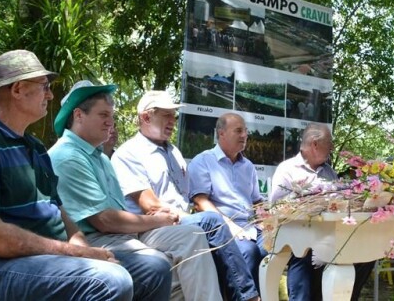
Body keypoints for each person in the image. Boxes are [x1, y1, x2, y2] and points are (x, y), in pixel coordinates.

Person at [0, 50, 135, 300]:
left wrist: (85, 250)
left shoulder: (35, 147)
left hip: (42, 262)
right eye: (44, 86)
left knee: (151, 268)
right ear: (18, 89)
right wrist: (75, 255)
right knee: (109, 281)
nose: (50, 94)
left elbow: (60, 213)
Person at [49, 80, 221, 301]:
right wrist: (159, 220)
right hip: (93, 240)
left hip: (122, 235)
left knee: (192, 237)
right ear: (78, 115)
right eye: (103, 115)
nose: (110, 123)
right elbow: (105, 221)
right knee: (167, 268)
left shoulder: (100, 157)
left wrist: (159, 220)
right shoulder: (68, 156)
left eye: (111, 116)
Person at [111, 91, 261, 301]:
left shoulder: (174, 152)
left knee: (242, 242)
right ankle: (249, 297)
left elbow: (186, 198)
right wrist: (188, 217)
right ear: (146, 117)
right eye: (166, 115)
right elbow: (151, 206)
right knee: (212, 221)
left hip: (183, 222)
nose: (173, 121)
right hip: (151, 227)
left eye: (174, 116)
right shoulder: (130, 153)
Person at [270, 123, 374, 300]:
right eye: (329, 143)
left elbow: (340, 204)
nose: (332, 147)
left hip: (331, 236)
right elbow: (277, 207)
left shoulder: (329, 172)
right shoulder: (287, 169)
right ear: (315, 144)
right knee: (303, 253)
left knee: (368, 253)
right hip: (298, 235)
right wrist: (310, 205)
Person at [188, 113, 268, 295]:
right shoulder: (203, 161)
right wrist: (229, 225)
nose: (244, 135)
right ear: (221, 133)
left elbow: (257, 202)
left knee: (279, 246)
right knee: (248, 251)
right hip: (221, 230)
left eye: (246, 131)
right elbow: (200, 202)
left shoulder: (248, 166)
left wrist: (268, 220)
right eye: (238, 131)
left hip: (250, 228)